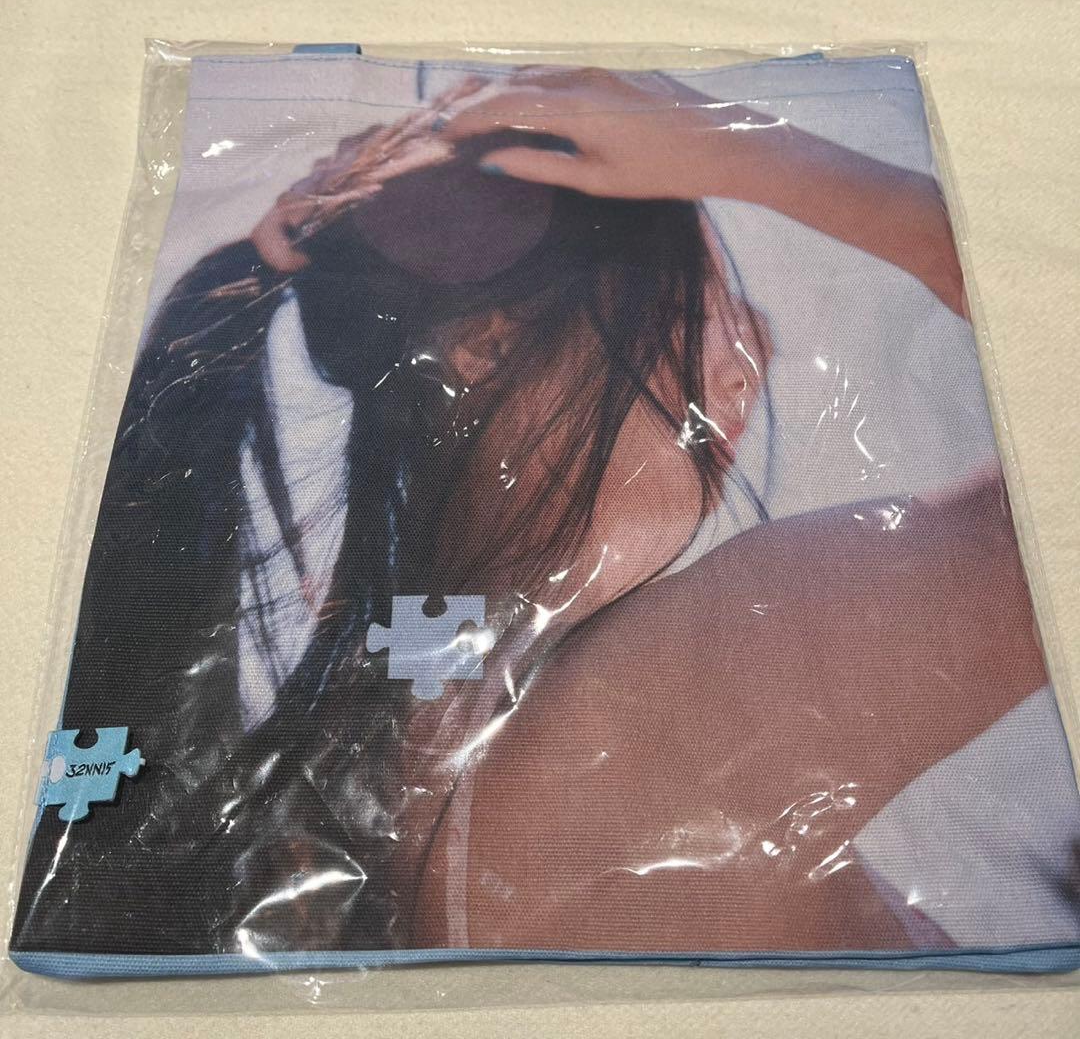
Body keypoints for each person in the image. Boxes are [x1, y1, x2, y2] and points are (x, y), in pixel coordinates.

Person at [10, 67, 1061, 959]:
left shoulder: (372, 736)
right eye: (704, 303)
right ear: (484, 347)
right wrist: (764, 155)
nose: (756, 358)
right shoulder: (707, 683)